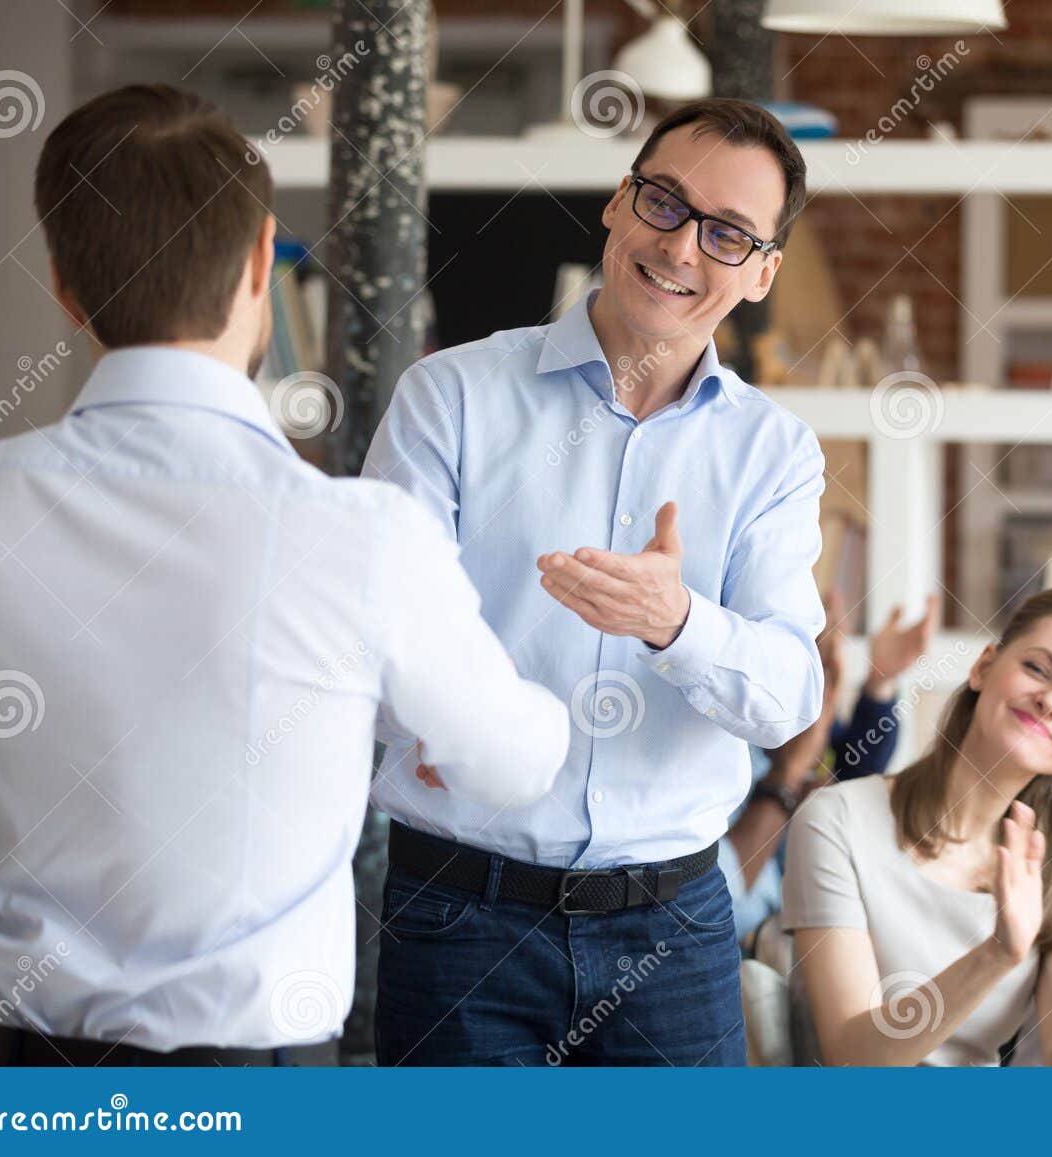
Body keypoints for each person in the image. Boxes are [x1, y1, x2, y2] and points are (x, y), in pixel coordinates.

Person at [0, 85, 569, 1067]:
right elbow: (517, 765)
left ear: (65, 289)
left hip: (17, 1078)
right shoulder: (363, 535)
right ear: (260, 263)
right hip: (259, 1082)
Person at [362, 98, 825, 1066]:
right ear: (618, 204)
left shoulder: (773, 454)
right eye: (664, 202)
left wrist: (680, 621)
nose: (682, 246)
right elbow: (368, 633)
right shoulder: (449, 397)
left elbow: (787, 696)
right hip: (459, 913)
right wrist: (428, 716)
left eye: (727, 233)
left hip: (675, 927)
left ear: (761, 273)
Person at [782, 583, 1052, 1067]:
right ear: (984, 667)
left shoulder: (1046, 859)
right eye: (1038, 669)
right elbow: (853, 1058)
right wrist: (995, 954)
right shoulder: (837, 821)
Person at [720, 593, 937, 943]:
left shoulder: (798, 729)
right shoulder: (735, 735)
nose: (826, 685)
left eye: (828, 663)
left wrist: (879, 684)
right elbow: (721, 899)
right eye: (819, 659)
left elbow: (855, 771)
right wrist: (790, 773)